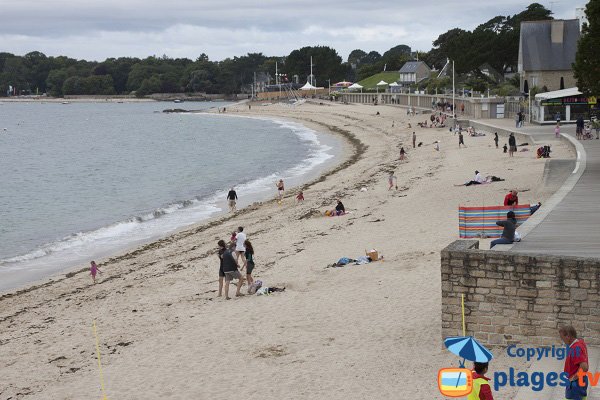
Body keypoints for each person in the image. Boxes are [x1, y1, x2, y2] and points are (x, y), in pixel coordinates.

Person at [559, 325, 589, 400]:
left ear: (568, 336)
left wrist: (573, 378)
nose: (562, 340)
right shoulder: (580, 342)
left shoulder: (576, 348)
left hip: (576, 383)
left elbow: (584, 367)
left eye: (562, 338)